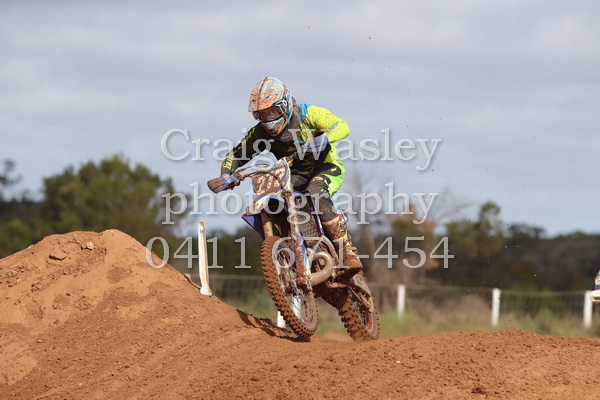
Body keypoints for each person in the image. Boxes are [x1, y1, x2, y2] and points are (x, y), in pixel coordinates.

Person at [216, 76, 362, 274]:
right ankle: (292, 252)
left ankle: (346, 251)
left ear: (284, 104)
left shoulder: (307, 114)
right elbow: (237, 154)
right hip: (294, 174)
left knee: (316, 194)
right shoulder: (260, 133)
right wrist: (226, 175)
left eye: (272, 112)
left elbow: (342, 126)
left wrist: (325, 138)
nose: (268, 120)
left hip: (325, 167)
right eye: (261, 114)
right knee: (276, 199)